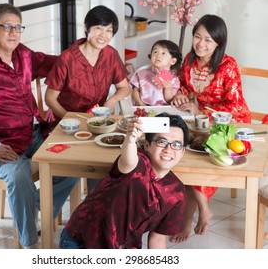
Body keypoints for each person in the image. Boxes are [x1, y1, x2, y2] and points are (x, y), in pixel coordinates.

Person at [0, 3, 79, 249]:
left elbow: (55, 64)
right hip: (0, 142)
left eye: (18, 27)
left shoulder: (24, 54)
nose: (13, 33)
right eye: (6, 27)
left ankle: (35, 207)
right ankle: (30, 245)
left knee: (73, 158)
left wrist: (82, 53)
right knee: (19, 174)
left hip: (33, 132)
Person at [171, 14, 251, 243]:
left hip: (231, 124)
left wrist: (200, 112)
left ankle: (192, 217)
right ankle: (202, 209)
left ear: (218, 43)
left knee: (204, 154)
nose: (201, 44)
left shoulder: (228, 66)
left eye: (208, 40)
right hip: (202, 122)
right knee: (183, 153)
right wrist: (179, 95)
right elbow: (185, 86)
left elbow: (235, 106)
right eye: (197, 37)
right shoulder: (189, 59)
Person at [59, 113, 189, 249]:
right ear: (146, 145)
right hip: (81, 241)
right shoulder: (139, 162)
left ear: (182, 152)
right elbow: (128, 161)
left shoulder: (177, 192)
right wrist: (130, 139)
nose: (168, 149)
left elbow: (157, 239)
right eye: (161, 142)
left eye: (176, 144)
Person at [44, 5, 130, 191]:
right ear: (86, 28)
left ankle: (95, 206)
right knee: (71, 170)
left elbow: (124, 87)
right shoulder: (67, 59)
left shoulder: (110, 55)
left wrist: (111, 100)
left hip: (99, 122)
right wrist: (70, 119)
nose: (104, 35)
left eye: (109, 30)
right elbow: (50, 98)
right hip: (66, 126)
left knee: (108, 163)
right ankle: (45, 206)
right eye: (99, 28)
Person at [130, 39, 182, 106]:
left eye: (163, 53)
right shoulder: (141, 73)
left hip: (163, 111)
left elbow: (170, 100)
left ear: (173, 61)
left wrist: (167, 88)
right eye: (155, 52)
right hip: (142, 108)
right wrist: (142, 105)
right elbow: (135, 91)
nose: (158, 55)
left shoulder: (174, 80)